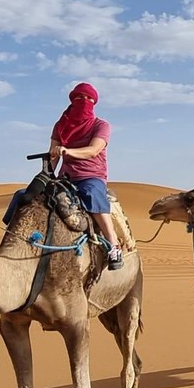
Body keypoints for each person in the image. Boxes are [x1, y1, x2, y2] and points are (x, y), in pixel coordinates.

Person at [49, 82, 124, 270]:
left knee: (91, 194)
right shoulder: (60, 126)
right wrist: (47, 174)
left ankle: (113, 245)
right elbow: (52, 154)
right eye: (80, 98)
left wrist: (67, 151)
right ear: (72, 101)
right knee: (26, 196)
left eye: (89, 99)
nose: (84, 101)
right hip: (65, 177)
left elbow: (93, 150)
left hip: (91, 175)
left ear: (94, 103)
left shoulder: (101, 126)